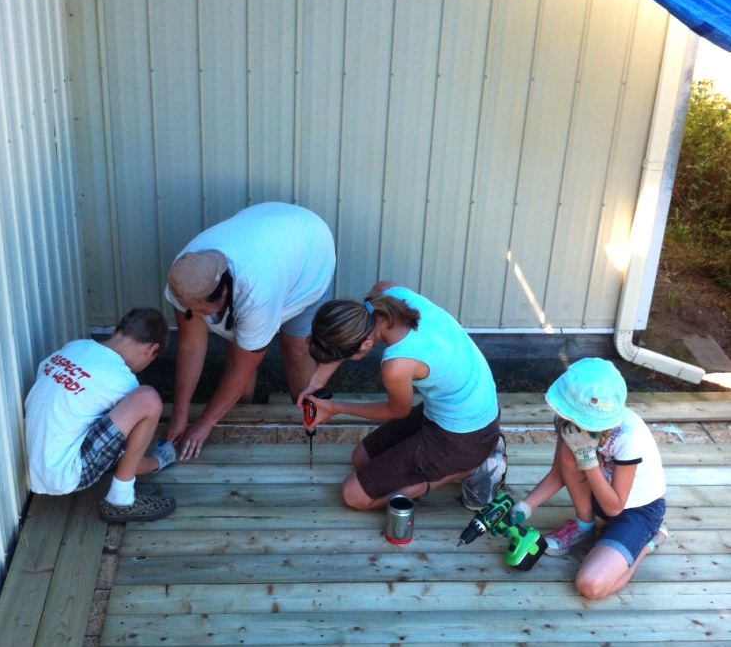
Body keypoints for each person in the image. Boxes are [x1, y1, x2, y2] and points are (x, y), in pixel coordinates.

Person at [299, 282, 500, 510]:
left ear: (365, 344)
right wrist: (316, 383)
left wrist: (334, 408)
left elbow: (397, 411)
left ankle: (473, 466)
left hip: (464, 437)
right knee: (361, 459)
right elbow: (344, 342)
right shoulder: (389, 293)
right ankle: (473, 454)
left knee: (355, 495)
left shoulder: (398, 364)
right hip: (461, 411)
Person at [164, 202, 335, 459]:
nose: (202, 316)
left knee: (295, 350)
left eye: (206, 309)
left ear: (225, 289)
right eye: (193, 310)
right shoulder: (185, 278)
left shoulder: (257, 295)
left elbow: (241, 367)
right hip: (268, 237)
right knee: (238, 344)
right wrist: (180, 415)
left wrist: (205, 422)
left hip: (308, 251)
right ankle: (243, 413)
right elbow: (191, 346)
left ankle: (308, 422)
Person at [510, 357, 668, 599]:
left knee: (591, 585)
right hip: (601, 495)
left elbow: (615, 507)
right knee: (568, 455)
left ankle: (647, 544)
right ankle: (585, 527)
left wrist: (587, 458)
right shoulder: (568, 420)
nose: (567, 419)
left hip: (637, 510)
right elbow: (559, 473)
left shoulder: (629, 436)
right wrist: (523, 507)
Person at [24, 307, 177, 522]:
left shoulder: (75, 348)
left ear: (116, 331)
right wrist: (159, 460)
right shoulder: (124, 381)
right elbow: (129, 458)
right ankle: (120, 500)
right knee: (148, 398)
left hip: (29, 464)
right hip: (65, 475)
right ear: (152, 349)